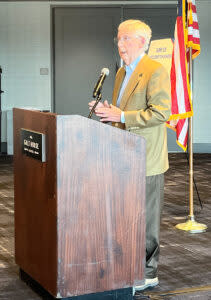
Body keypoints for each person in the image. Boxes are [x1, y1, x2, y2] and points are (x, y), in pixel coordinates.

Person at [89, 19, 171, 291]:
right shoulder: (123, 72)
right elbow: (122, 112)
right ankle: (127, 266)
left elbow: (161, 113)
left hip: (147, 158)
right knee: (126, 216)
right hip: (123, 156)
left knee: (146, 220)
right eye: (119, 39)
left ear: (142, 42)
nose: (120, 44)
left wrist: (121, 115)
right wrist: (107, 110)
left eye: (126, 39)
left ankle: (148, 272)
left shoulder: (155, 70)